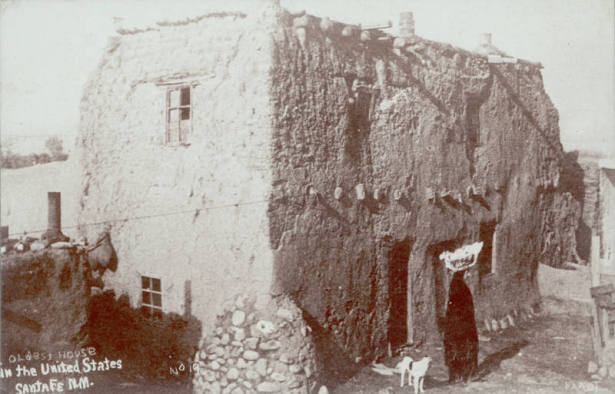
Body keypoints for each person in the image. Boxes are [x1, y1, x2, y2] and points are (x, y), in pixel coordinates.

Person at [443, 269, 478, 384]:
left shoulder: (455, 286)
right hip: (463, 325)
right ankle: (465, 376)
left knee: (454, 349)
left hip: (453, 326)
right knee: (464, 349)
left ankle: (455, 377)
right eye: (466, 272)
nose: (468, 274)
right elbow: (466, 310)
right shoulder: (462, 288)